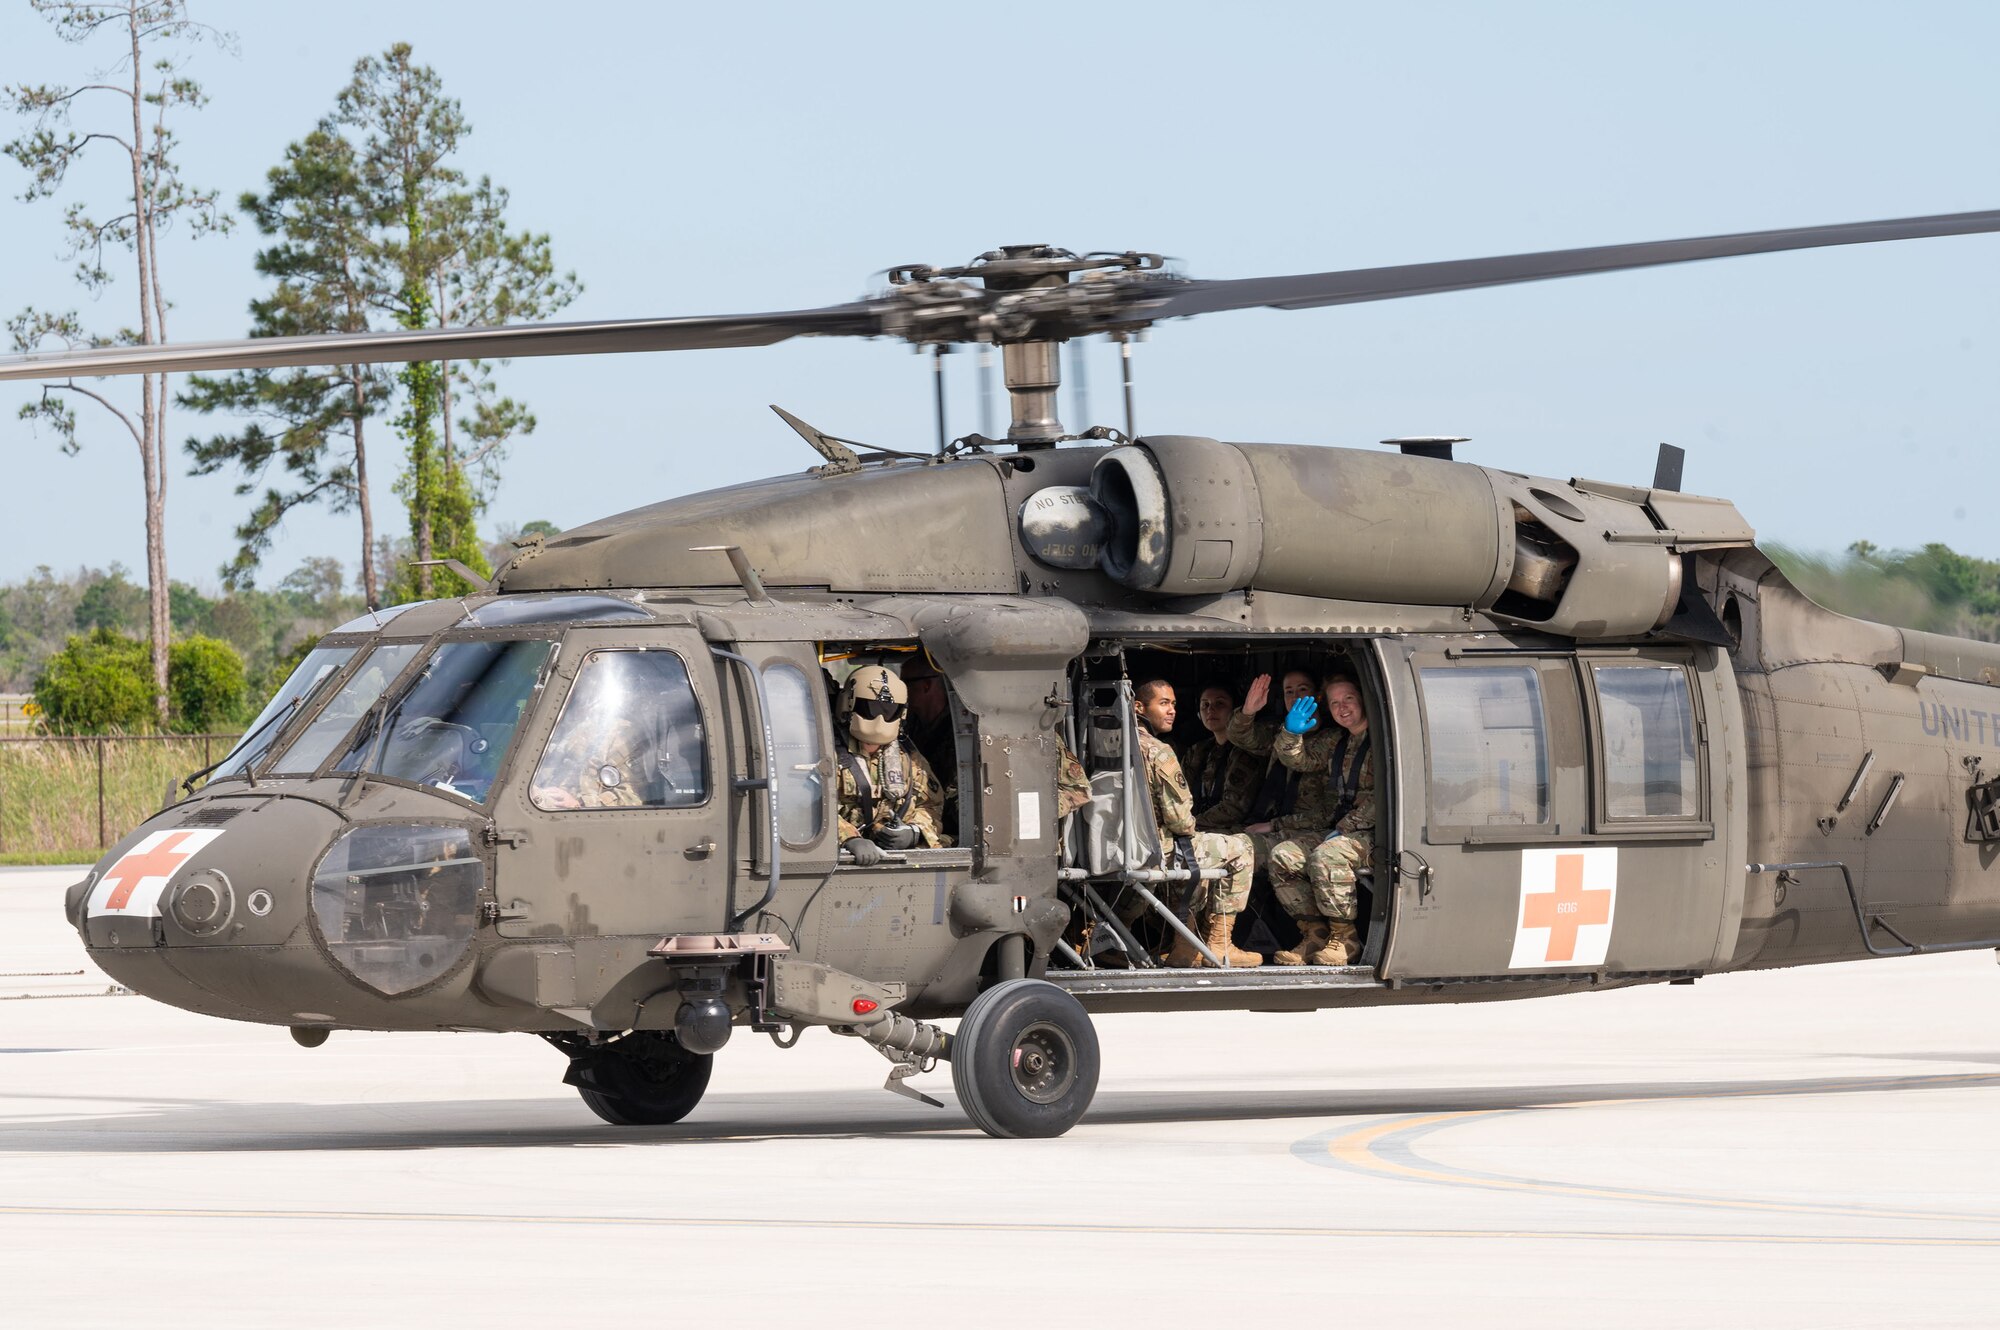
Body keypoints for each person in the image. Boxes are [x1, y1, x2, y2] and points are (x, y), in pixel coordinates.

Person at [1132, 679, 1261, 967]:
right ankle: (1219, 944)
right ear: (1138, 707)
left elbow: (1232, 806)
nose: (1171, 711)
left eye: (1174, 704)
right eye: (1163, 703)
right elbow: (1179, 819)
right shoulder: (1159, 750)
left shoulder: (1114, 745)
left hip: (1128, 847)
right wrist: (1192, 827)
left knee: (1201, 851)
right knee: (1241, 848)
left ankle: (1186, 943)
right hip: (1159, 846)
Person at [1264, 674, 1375, 966]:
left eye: (1348, 699)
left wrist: (1344, 828)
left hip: (1378, 833)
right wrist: (1291, 733)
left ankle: (1346, 939)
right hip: (1340, 830)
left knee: (1327, 856)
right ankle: (1314, 935)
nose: (1342, 707)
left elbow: (1385, 797)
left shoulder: (1384, 740)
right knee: (1283, 855)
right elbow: (1298, 760)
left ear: (1363, 700)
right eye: (1335, 702)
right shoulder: (1337, 742)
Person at [1213, 668, 1335, 872]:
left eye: (1302, 689)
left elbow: (1297, 760)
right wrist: (1248, 712)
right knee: (1206, 842)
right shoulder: (1278, 730)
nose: (1295, 696)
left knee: (1230, 853)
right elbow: (1239, 737)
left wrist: (1291, 733)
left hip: (1303, 828)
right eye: (1289, 691)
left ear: (1318, 695)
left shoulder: (1331, 738)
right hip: (1267, 822)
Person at [836, 663, 950, 865]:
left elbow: (932, 804)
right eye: (869, 708)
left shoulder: (908, 758)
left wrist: (914, 831)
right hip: (844, 860)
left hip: (894, 859)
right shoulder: (829, 754)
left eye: (888, 710)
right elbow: (806, 808)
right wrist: (848, 838)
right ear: (848, 705)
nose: (879, 718)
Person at [1183, 680, 1263, 823]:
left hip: (1230, 830)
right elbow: (1180, 795)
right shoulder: (1197, 751)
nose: (1210, 710)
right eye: (1205, 704)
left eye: (1219, 704)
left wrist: (1190, 825)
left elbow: (1233, 810)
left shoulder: (1245, 752)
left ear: (1234, 709)